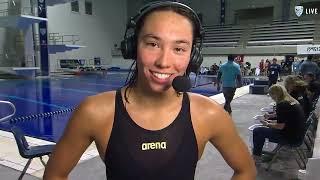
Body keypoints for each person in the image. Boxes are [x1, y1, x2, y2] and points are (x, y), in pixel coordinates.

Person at [43, 2, 256, 180]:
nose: (164, 62)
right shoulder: (95, 112)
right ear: (133, 46)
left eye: (179, 49)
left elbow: (245, 170)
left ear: (193, 56)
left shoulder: (208, 114)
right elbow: (54, 175)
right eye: (153, 44)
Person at [252, 84, 305, 162]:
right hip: (298, 135)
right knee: (266, 128)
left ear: (275, 94)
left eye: (271, 96)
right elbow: (286, 120)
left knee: (257, 131)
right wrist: (270, 121)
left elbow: (280, 126)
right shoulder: (292, 101)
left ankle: (256, 156)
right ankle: (261, 154)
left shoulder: (282, 104)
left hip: (291, 138)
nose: (272, 98)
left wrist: (267, 124)